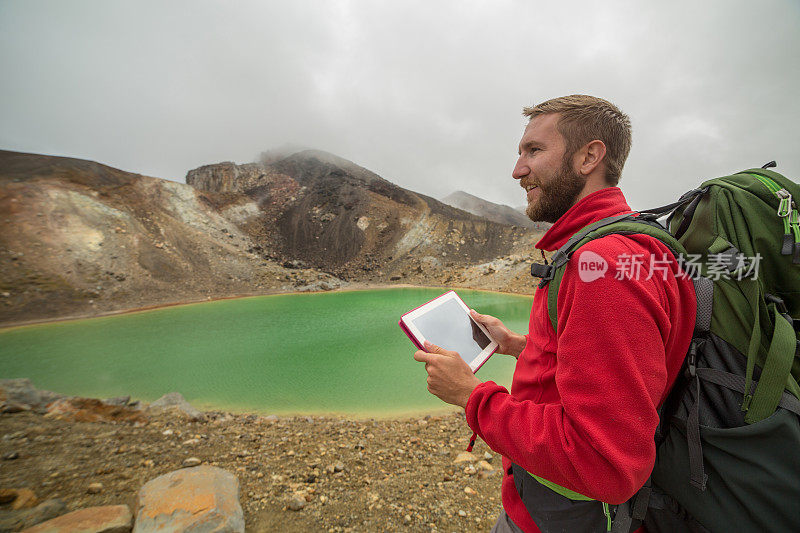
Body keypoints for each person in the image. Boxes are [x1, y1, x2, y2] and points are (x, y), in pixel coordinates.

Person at [413, 95, 696, 533]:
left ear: (589, 157)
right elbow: (614, 364)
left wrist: (472, 396)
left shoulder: (602, 265)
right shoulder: (617, 243)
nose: (517, 170)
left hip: (565, 519)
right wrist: (518, 346)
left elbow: (606, 463)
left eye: (534, 150)